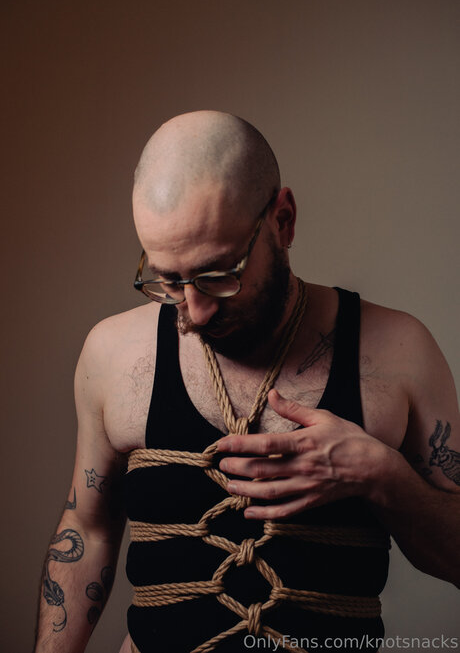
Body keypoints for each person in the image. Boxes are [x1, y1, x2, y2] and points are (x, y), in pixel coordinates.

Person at [34, 111, 460, 653]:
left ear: (283, 221)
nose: (196, 310)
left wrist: (383, 477)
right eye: (169, 281)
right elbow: (88, 531)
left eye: (219, 275)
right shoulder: (113, 354)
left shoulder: (399, 351)